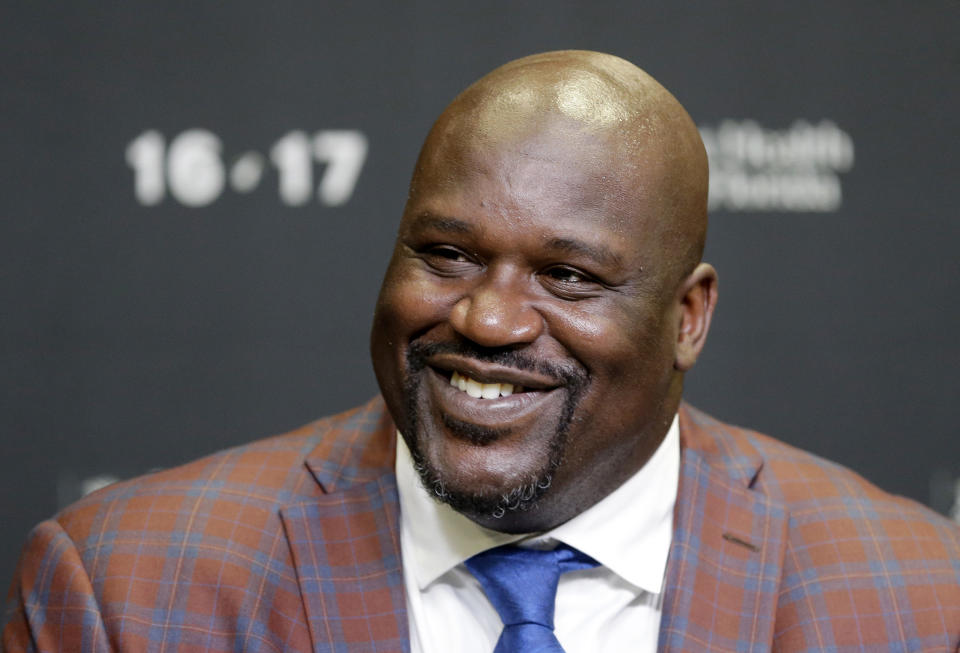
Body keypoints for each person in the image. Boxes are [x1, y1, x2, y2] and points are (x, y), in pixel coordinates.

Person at [4, 50, 958, 652]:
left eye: (569, 276)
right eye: (448, 254)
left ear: (687, 317)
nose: (490, 320)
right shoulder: (125, 590)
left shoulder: (920, 600)